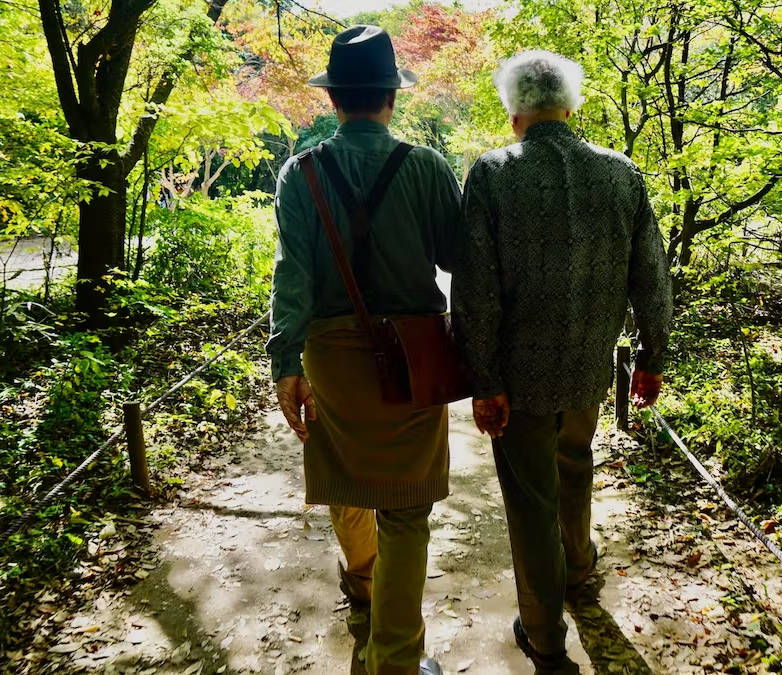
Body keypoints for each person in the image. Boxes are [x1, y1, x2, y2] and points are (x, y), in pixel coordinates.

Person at [453, 50, 673, 674]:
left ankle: (545, 633)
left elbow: (475, 289)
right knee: (575, 465)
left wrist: (484, 380)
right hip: (589, 367)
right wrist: (653, 355)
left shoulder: (493, 173)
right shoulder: (620, 173)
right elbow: (652, 276)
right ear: (571, 108)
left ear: (513, 111)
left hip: (518, 378)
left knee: (531, 499)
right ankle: (578, 571)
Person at [265, 25, 460, 675]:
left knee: (348, 482)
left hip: (331, 354)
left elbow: (291, 275)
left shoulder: (300, 173)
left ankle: (363, 584)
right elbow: (458, 260)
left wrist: (285, 364)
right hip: (413, 355)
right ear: (391, 96)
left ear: (333, 99)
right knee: (406, 510)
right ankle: (397, 658)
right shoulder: (428, 168)